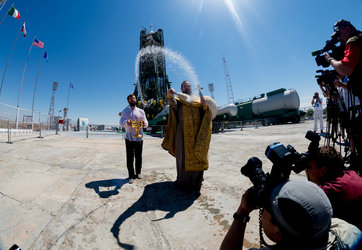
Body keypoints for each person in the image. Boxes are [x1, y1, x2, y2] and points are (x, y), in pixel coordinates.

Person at [220, 180, 362, 250]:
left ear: (277, 234)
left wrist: (242, 213)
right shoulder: (349, 233)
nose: (262, 213)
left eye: (264, 211)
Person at [161, 80, 212, 193]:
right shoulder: (179, 99)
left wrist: (204, 106)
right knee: (183, 157)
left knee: (198, 154)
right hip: (182, 134)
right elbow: (173, 105)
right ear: (182, 88)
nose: (187, 86)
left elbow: (205, 114)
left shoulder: (198, 100)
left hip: (197, 133)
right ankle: (183, 183)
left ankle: (197, 181)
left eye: (188, 85)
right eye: (184, 85)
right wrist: (169, 96)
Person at [306, 145, 362, 231]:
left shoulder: (329, 191)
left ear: (322, 171)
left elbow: (308, 206)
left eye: (309, 167)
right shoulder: (351, 173)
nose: (308, 170)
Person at [120, 94, 148, 184]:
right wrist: (126, 122)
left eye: (134, 98)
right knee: (130, 157)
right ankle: (131, 175)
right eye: (131, 98)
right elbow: (121, 123)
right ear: (128, 101)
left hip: (139, 138)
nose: (133, 99)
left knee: (139, 156)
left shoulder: (141, 111)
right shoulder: (125, 111)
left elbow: (146, 122)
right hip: (129, 138)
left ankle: (138, 172)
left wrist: (144, 124)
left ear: (136, 100)